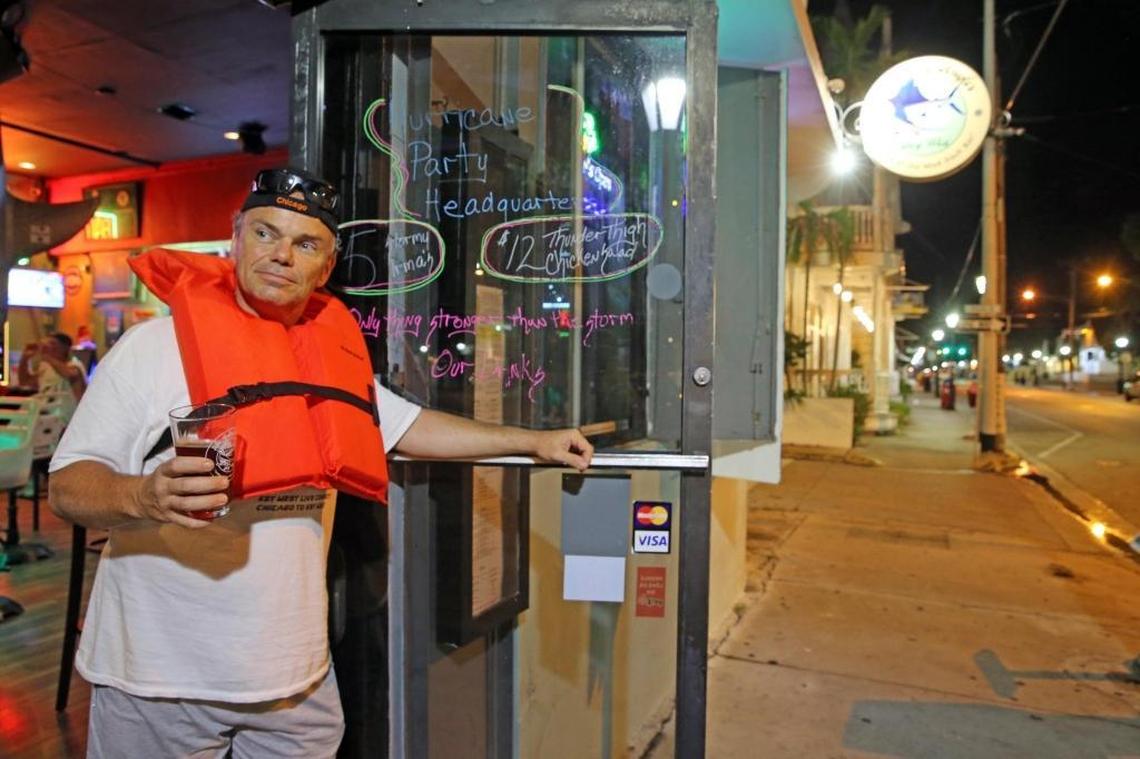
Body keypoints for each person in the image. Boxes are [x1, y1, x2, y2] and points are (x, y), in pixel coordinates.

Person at [48, 167, 593, 758]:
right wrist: (142, 496)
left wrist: (531, 441)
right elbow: (68, 485)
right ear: (235, 237)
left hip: (295, 680)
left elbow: (411, 428)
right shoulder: (151, 349)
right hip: (160, 676)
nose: (280, 254)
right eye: (264, 232)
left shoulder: (329, 359)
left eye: (304, 243)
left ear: (326, 265)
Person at [16, 331, 87, 402]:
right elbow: (25, 382)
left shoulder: (74, 365)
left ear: (65, 348)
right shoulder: (46, 368)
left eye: (53, 344)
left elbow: (68, 374)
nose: (48, 347)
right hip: (47, 410)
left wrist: (45, 356)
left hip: (70, 411)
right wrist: (24, 358)